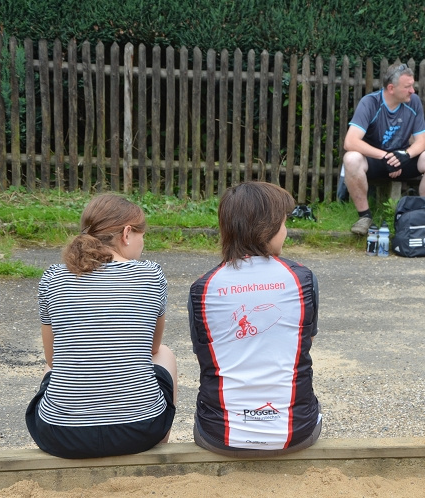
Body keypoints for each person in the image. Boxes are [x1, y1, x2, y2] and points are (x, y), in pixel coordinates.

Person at [26, 194, 177, 459]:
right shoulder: (151, 274)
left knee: (52, 366)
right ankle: (160, 443)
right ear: (127, 234)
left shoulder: (54, 277)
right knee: (165, 353)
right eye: (142, 235)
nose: (143, 243)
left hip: (62, 435)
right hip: (141, 431)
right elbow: (152, 348)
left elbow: (52, 358)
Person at [188, 181, 321, 457]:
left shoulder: (203, 288)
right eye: (283, 223)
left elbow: (205, 353)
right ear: (267, 228)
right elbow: (304, 342)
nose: (286, 231)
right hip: (297, 433)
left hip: (219, 435)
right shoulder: (302, 279)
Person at [343, 63, 425, 235]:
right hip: (375, 160)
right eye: (407, 87)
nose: (412, 90)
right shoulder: (370, 102)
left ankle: (421, 216)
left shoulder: (414, 102)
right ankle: (364, 217)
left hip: (402, 159)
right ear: (391, 88)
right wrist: (386, 156)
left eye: (412, 85)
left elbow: (421, 142)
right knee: (351, 158)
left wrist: (404, 155)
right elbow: (350, 141)